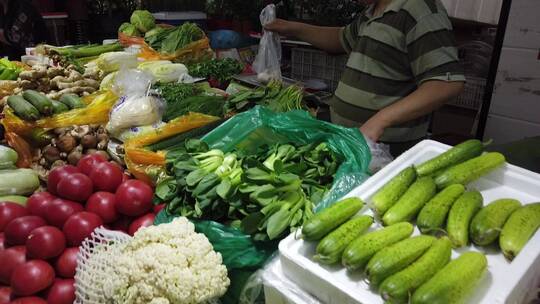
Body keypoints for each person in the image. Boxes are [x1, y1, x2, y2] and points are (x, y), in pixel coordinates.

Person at [266, 0, 465, 156]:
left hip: (386, 151)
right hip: (353, 141)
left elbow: (446, 83)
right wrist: (290, 27)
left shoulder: (420, 10)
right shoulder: (373, 11)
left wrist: (381, 120)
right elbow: (339, 39)